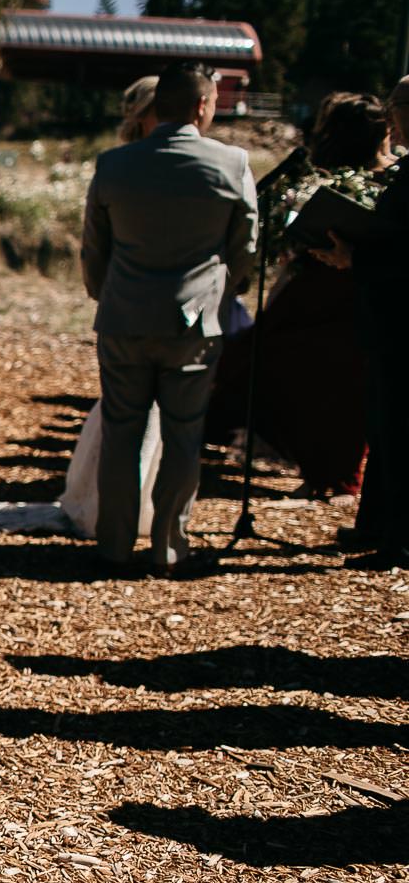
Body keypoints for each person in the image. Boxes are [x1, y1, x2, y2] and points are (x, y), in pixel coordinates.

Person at [81, 61, 260, 575]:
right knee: (184, 434)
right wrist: (227, 292)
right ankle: (168, 547)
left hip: (123, 317)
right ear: (204, 106)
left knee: (122, 432)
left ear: (157, 108)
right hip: (194, 323)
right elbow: (244, 246)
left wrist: (103, 295)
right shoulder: (232, 164)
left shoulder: (114, 165)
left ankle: (113, 545)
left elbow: (95, 247)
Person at [209, 91, 392, 500]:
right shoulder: (319, 178)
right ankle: (318, 465)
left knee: (340, 381)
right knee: (297, 371)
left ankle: (338, 472)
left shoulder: (395, 177)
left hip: (354, 290)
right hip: (318, 286)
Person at [312, 75, 409, 569]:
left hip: (403, 325)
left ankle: (398, 542)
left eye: (396, 105)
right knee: (383, 425)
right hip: (386, 320)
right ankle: (375, 527)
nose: (389, 115)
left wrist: (356, 258)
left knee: (398, 432)